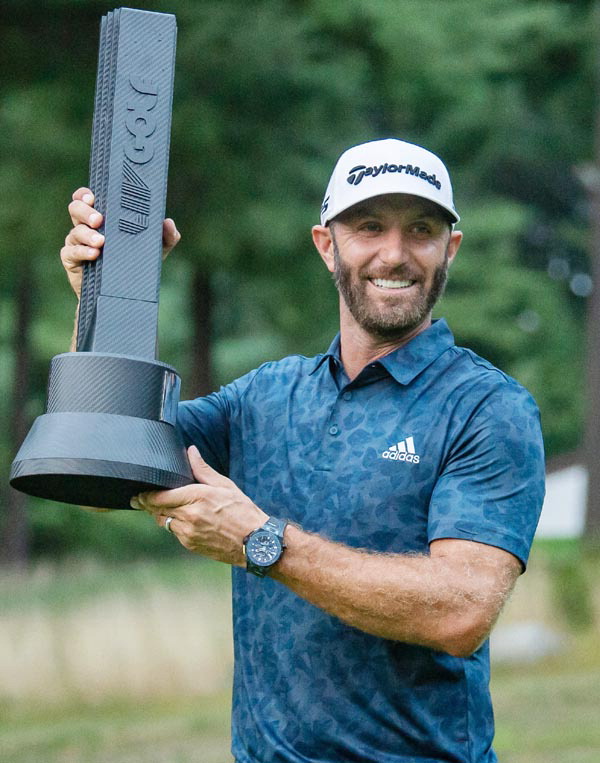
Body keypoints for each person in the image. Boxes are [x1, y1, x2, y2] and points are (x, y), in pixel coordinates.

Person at [61, 138, 545, 763]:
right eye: (369, 227)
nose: (395, 254)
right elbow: (102, 470)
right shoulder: (265, 397)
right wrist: (106, 302)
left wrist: (261, 541)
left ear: (449, 249)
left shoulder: (486, 407)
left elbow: (461, 612)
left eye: (421, 230)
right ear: (326, 245)